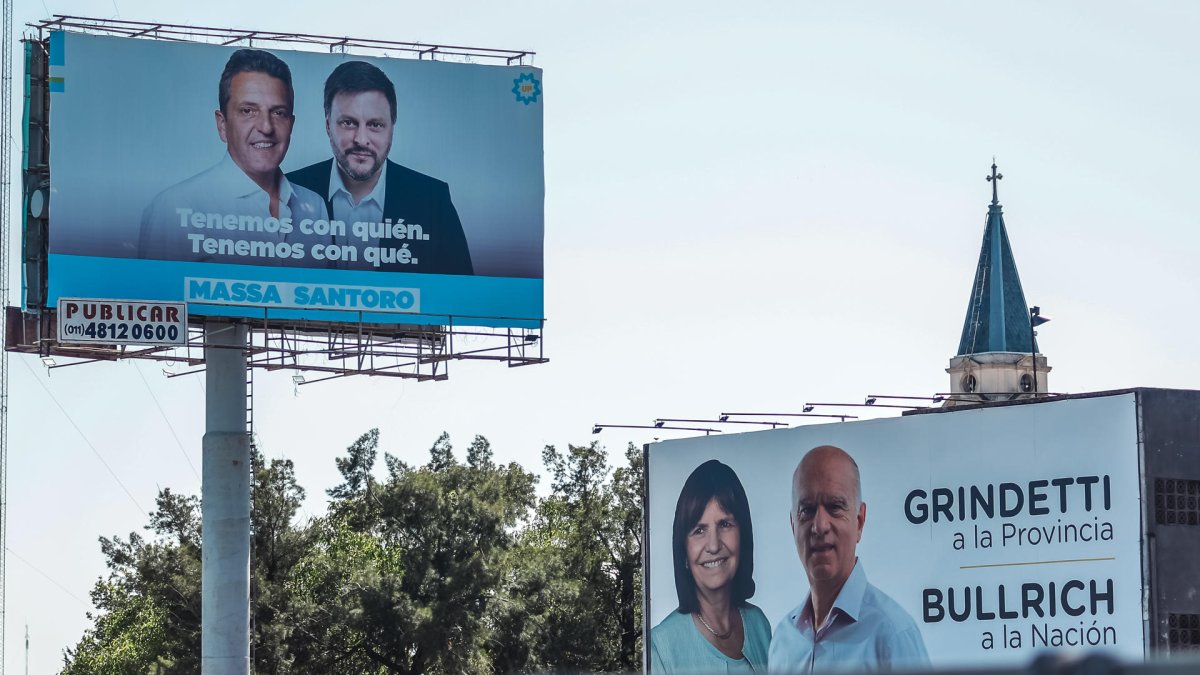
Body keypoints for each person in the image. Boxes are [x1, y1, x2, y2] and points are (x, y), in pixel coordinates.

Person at [139, 49, 327, 265]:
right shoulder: (174, 207)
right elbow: (157, 287)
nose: (266, 127)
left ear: (291, 125)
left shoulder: (314, 206)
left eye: (278, 113)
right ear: (222, 125)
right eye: (248, 111)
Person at [287, 60, 473, 275]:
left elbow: (461, 289)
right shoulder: (288, 190)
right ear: (328, 125)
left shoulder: (433, 200)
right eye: (348, 123)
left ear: (392, 127)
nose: (361, 139)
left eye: (375, 125)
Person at [768, 445, 929, 673]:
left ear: (859, 522)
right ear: (793, 525)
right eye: (807, 510)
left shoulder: (892, 634)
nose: (819, 526)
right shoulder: (783, 641)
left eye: (835, 506)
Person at [651, 459, 771, 673]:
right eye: (699, 530)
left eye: (725, 524)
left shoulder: (759, 624)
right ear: (683, 551)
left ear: (743, 536)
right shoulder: (660, 647)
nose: (714, 546)